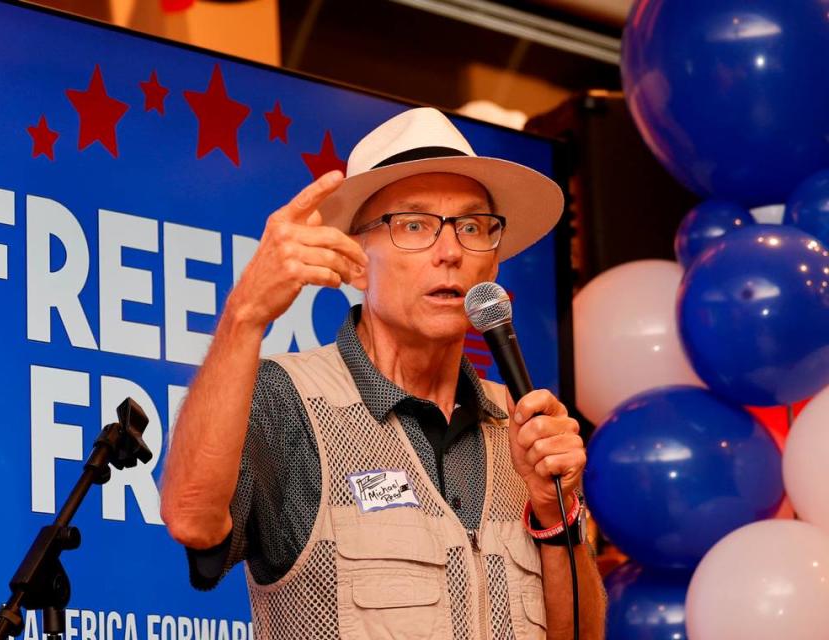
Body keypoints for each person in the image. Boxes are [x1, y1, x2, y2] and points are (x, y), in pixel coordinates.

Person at [161, 107, 606, 639]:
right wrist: (244, 316)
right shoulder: (289, 397)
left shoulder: (527, 425)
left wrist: (555, 515)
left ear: (494, 262)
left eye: (471, 227)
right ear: (354, 257)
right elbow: (191, 520)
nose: (450, 252)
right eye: (413, 225)